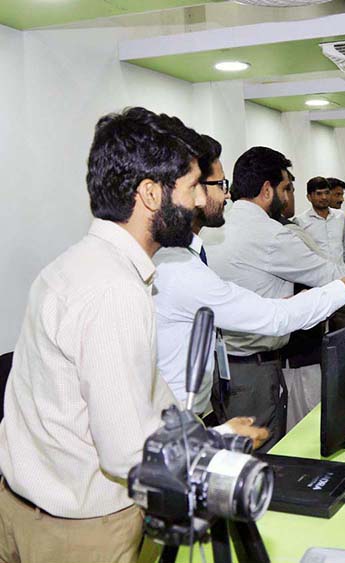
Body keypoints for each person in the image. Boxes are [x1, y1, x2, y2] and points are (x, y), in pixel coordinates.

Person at [0, 108, 266, 563]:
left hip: (26, 510)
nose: (201, 202)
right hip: (82, 534)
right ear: (149, 194)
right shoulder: (113, 291)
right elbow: (128, 454)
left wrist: (210, 432)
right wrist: (217, 449)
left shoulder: (78, 265)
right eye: (191, 188)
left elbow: (143, 402)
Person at [153, 138, 345, 423]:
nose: (223, 195)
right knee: (265, 454)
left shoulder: (205, 237)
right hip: (248, 370)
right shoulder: (266, 235)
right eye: (220, 185)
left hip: (221, 372)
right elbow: (283, 309)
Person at [203, 148, 345, 450]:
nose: (288, 196)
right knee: (264, 455)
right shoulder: (271, 234)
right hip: (254, 368)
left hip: (221, 366)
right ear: (267, 190)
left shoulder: (215, 227)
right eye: (285, 188)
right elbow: (328, 274)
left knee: (236, 454)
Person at [296, 176, 345, 331]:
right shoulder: (300, 222)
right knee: (317, 335)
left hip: (342, 282)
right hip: (317, 287)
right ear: (309, 197)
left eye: (326, 193)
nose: (323, 197)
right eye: (318, 193)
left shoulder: (340, 217)